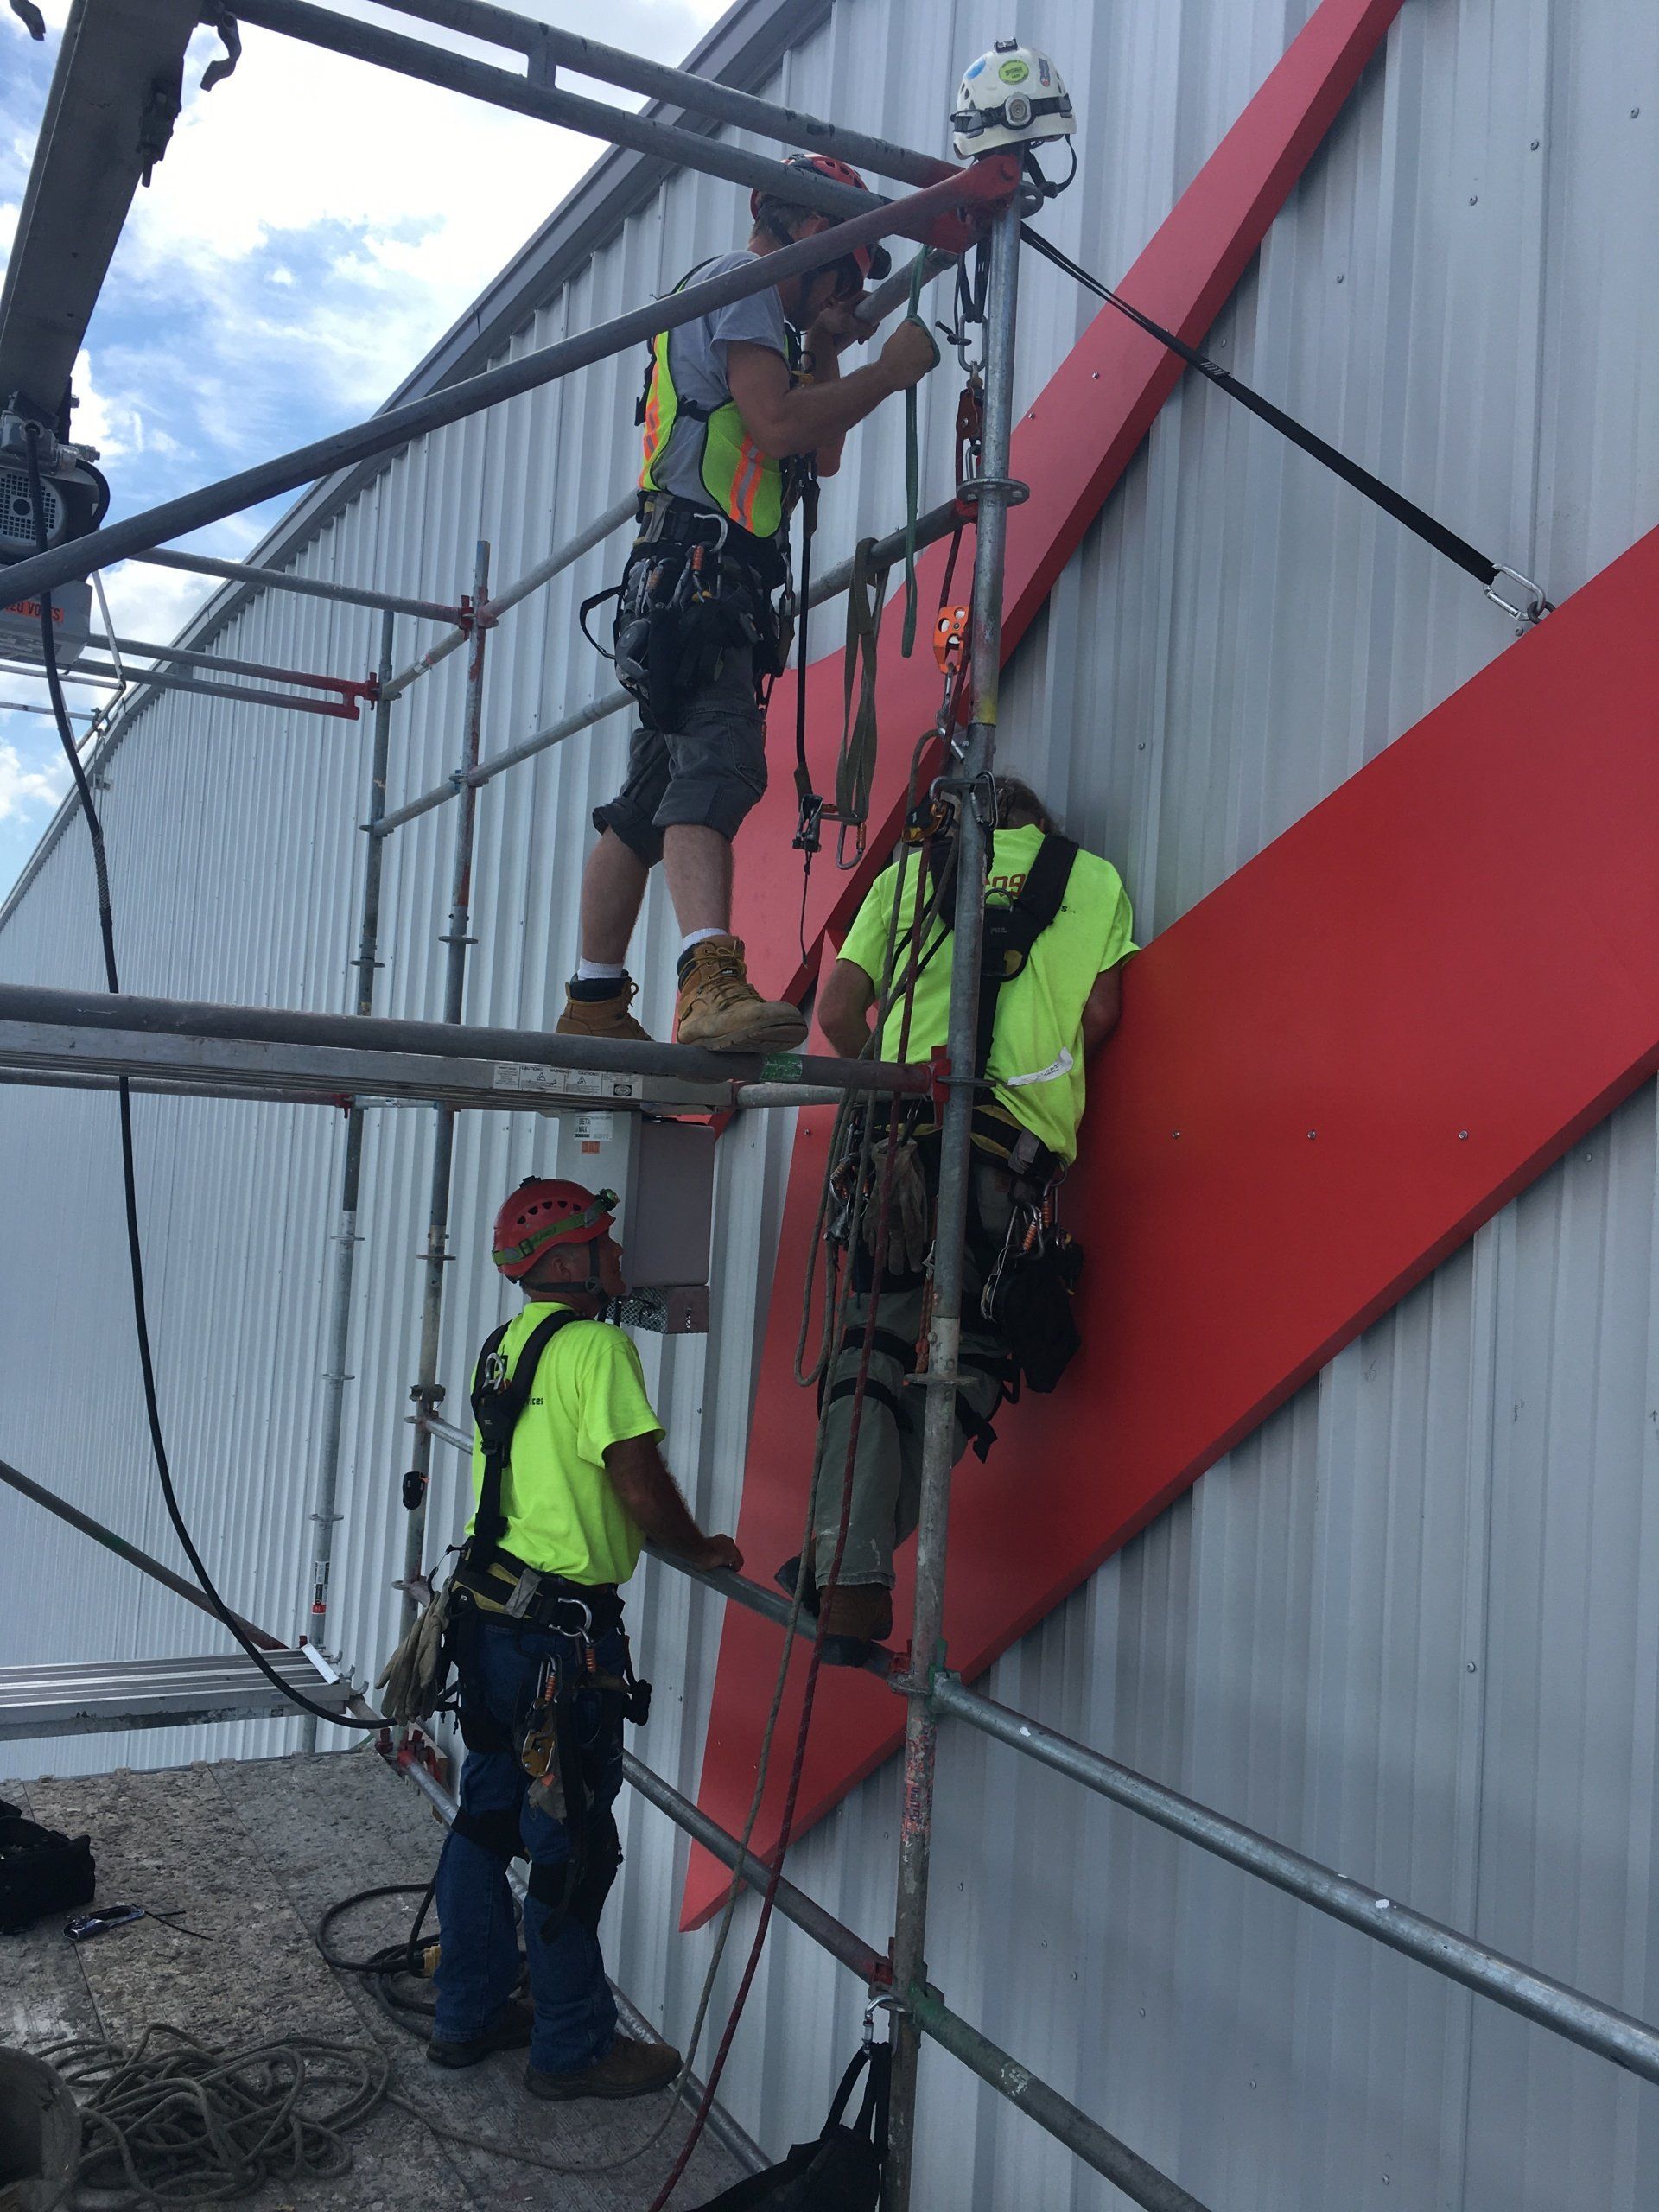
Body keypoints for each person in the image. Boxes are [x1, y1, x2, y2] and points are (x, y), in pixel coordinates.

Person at [557, 153, 940, 1056]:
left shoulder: (759, 317)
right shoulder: (744, 283)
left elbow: (820, 452)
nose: (841, 292)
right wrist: (887, 373)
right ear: (814, 237)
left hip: (688, 576)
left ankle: (596, 999)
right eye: (845, 274)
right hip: (702, 575)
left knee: (647, 801)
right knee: (715, 769)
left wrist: (826, 350)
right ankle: (708, 985)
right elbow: (776, 428)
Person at [793, 777, 1136, 1664]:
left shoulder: (910, 876)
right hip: (1014, 1161)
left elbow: (835, 1013)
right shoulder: (1093, 879)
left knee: (873, 1340)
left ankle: (849, 1567)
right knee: (973, 1356)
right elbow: (1100, 1014)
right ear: (1039, 826)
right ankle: (855, 1551)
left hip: (900, 1142)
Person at [429, 1176, 742, 2097]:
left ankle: (469, 2011)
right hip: (557, 1640)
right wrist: (700, 1546)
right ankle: (571, 2044)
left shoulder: (505, 1345)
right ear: (567, 1261)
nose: (620, 1258)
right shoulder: (597, 1346)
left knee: (487, 1820)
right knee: (570, 1842)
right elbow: (635, 1479)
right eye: (606, 1242)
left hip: (486, 1623)